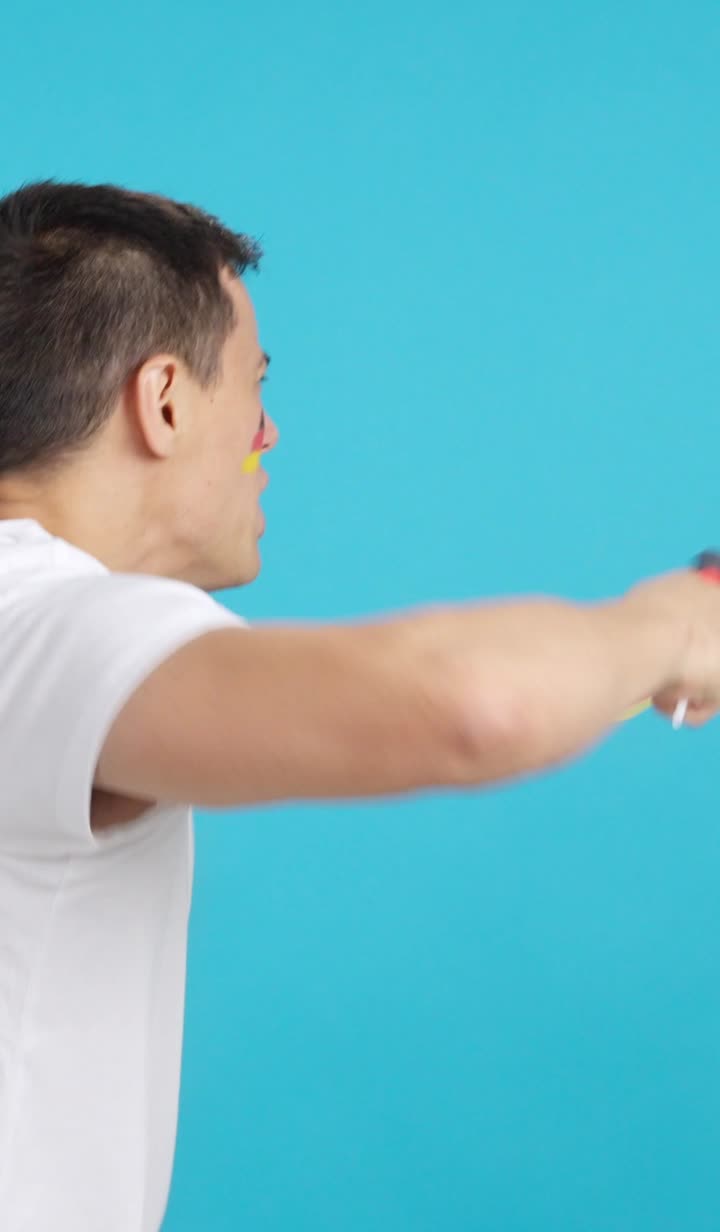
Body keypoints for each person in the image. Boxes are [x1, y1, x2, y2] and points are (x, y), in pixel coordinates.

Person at [0, 180, 718, 1232]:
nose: (271, 431)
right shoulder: (48, 624)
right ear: (162, 401)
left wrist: (618, 673)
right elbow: (475, 703)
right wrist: (677, 623)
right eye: (256, 384)